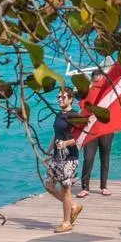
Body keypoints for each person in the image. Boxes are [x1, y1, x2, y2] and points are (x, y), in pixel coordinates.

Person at [43, 90, 84, 233]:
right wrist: (47, 153)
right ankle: (73, 206)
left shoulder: (75, 116)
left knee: (66, 189)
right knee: (48, 184)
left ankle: (66, 222)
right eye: (58, 97)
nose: (59, 99)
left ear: (71, 99)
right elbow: (56, 135)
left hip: (69, 158)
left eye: (63, 97)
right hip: (56, 157)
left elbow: (81, 138)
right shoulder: (59, 115)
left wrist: (66, 144)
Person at [77, 131, 113, 198]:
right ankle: (85, 188)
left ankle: (104, 186)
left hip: (106, 131)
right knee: (88, 158)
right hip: (91, 131)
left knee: (105, 159)